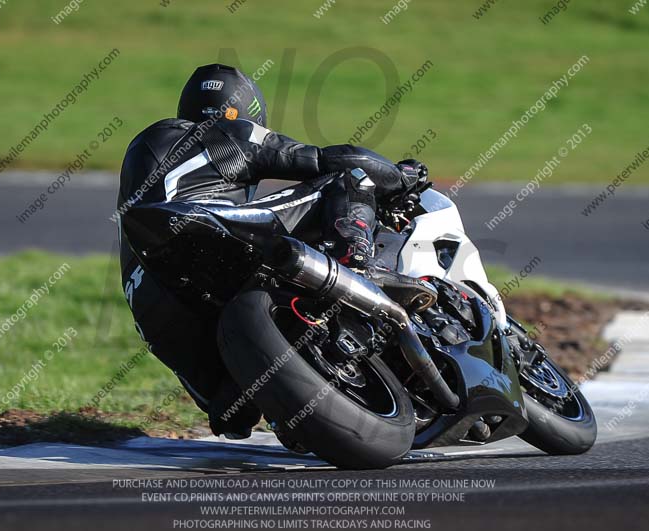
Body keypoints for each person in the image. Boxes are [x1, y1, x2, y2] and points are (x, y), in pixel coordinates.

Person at [117, 63, 428, 438]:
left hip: (151, 302)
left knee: (232, 413)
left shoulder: (147, 155)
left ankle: (278, 386)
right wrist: (400, 178)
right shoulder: (225, 132)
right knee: (348, 179)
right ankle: (355, 258)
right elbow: (333, 159)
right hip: (204, 231)